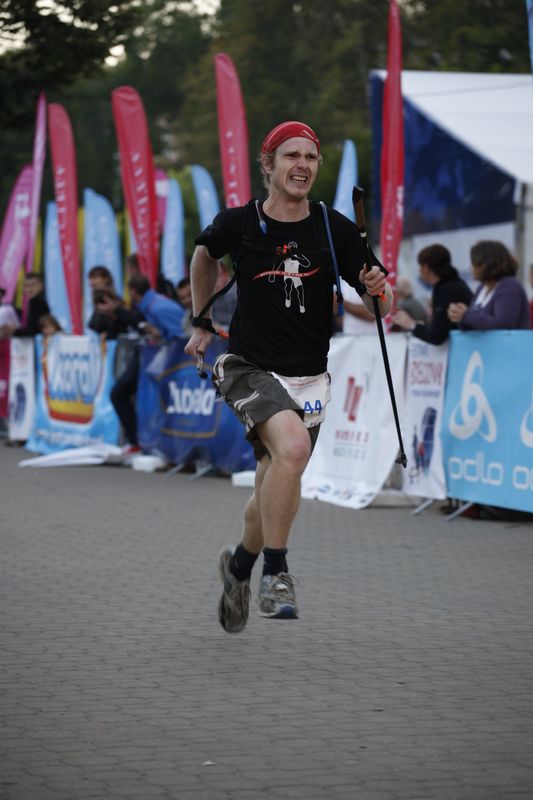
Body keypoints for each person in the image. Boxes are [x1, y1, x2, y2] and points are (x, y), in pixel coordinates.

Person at [184, 120, 392, 632]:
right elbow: (204, 255)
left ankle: (238, 568)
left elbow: (379, 305)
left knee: (275, 479)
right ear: (269, 164)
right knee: (293, 450)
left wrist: (378, 288)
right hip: (249, 366)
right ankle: (276, 574)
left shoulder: (331, 226)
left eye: (311, 157)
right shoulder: (240, 222)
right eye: (291, 156)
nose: (302, 165)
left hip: (309, 378)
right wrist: (201, 320)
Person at [110, 274, 186, 453]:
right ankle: (139, 440)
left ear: (133, 291)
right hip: (154, 358)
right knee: (123, 394)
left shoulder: (158, 307)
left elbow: (180, 337)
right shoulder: (152, 304)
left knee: (120, 393)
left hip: (167, 362)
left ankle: (141, 441)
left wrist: (158, 334)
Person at [392, 244, 472, 344]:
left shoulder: (446, 290)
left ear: (426, 268)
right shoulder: (455, 284)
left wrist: (412, 325)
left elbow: (437, 336)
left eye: (420, 266)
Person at [448, 241, 531, 331]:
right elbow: (474, 322)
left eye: (474, 264)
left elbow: (503, 324)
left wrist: (466, 316)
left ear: (486, 264)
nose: (470, 268)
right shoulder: (482, 288)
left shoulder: (509, 286)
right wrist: (460, 317)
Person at [2, 273, 50, 338]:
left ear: (42, 285)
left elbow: (33, 330)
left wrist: (14, 331)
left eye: (33, 285)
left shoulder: (39, 302)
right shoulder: (32, 301)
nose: (29, 289)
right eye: (26, 286)